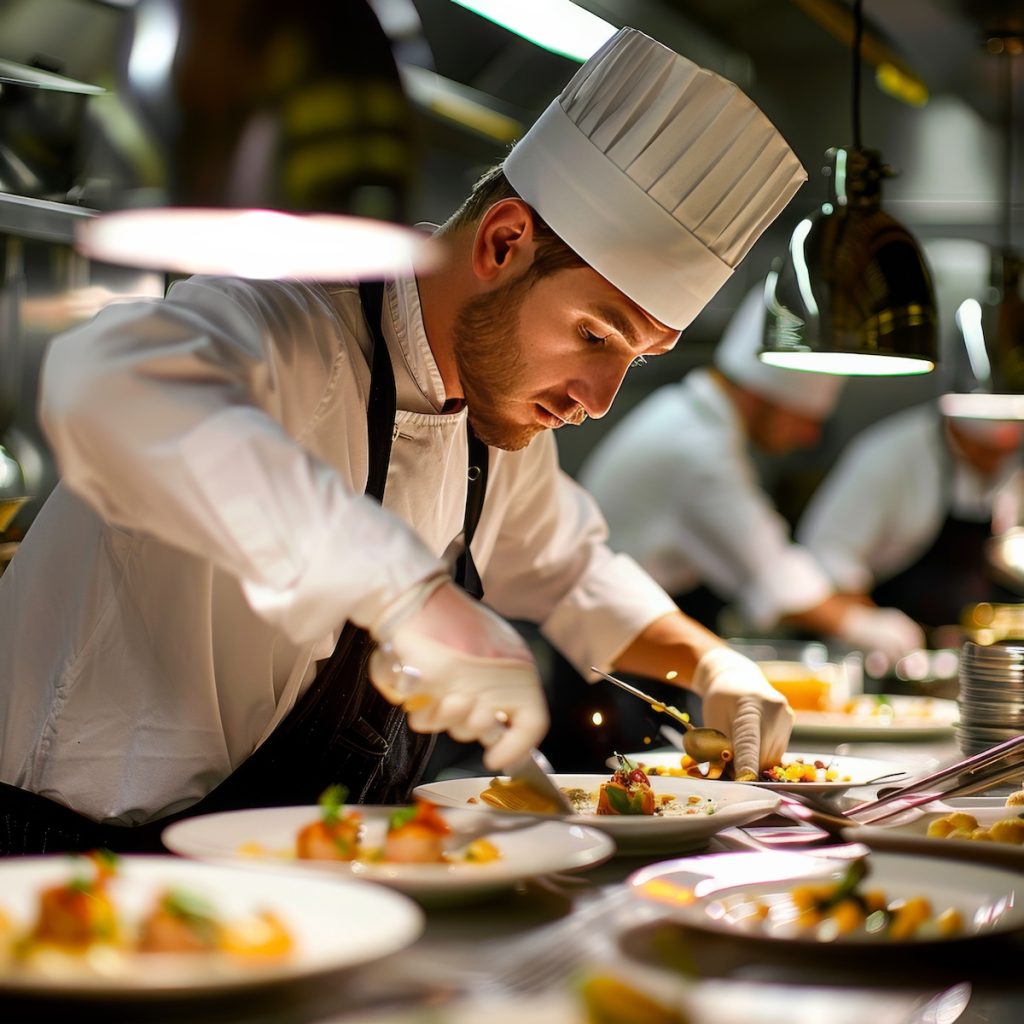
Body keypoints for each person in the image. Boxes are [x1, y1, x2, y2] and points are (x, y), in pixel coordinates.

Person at [0, 28, 806, 854]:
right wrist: (406, 596)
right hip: (76, 864)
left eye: (636, 360)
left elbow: (575, 577)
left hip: (299, 880)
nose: (599, 400)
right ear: (503, 242)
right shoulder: (283, 325)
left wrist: (711, 668)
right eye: (597, 335)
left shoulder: (501, 430)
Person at [579, 284, 926, 661]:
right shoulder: (697, 446)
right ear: (763, 394)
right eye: (805, 418)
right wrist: (868, 627)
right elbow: (773, 574)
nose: (810, 437)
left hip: (624, 639)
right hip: (605, 655)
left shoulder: (694, 420)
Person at [797, 237, 1024, 650]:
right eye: (987, 450)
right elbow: (824, 562)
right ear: (955, 420)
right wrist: (870, 627)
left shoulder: (1012, 461)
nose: (998, 460)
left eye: (1008, 450)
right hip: (890, 665)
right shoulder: (890, 458)